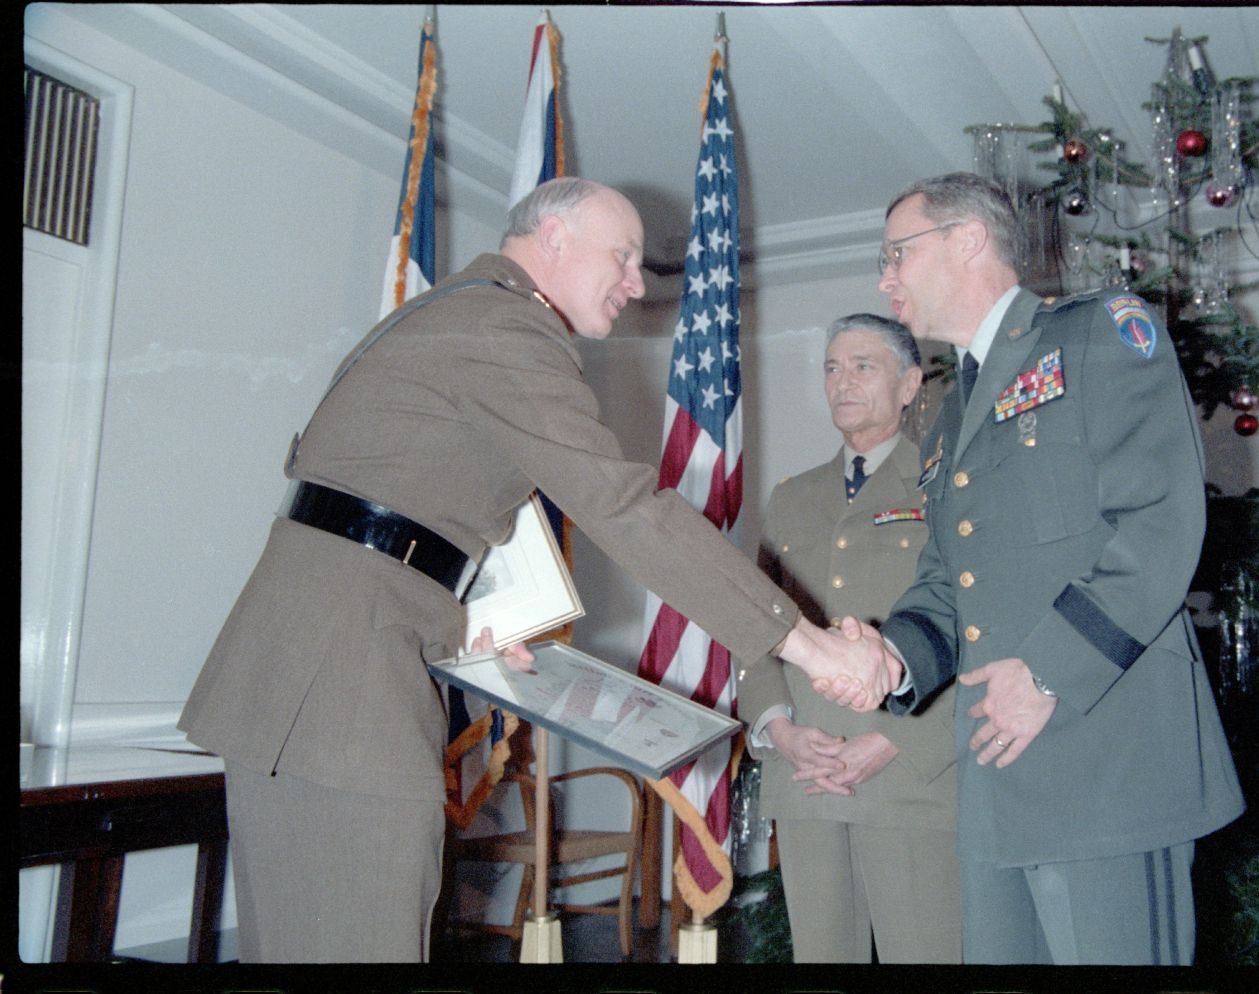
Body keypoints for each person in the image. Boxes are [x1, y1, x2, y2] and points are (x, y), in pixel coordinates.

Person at [177, 177, 890, 962]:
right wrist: (809, 646)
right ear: (552, 237)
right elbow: (625, 506)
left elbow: (403, 505)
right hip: (335, 689)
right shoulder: (500, 325)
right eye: (621, 256)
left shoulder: (463, 315)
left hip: (324, 671)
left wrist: (466, 620)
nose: (637, 282)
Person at [816, 172, 1244, 964]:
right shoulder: (949, 416)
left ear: (967, 240)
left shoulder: (1098, 337)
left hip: (1106, 765)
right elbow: (949, 579)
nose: (884, 279)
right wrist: (892, 656)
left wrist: (1046, 670)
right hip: (998, 791)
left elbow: (1159, 523)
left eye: (895, 255)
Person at [739, 314, 961, 963]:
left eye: (863, 365)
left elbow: (973, 628)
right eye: (832, 367)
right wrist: (778, 730)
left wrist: (899, 737)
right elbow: (753, 626)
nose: (843, 381)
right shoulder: (791, 498)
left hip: (910, 777)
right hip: (807, 772)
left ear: (910, 384)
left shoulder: (944, 484)